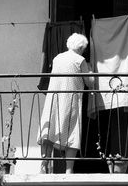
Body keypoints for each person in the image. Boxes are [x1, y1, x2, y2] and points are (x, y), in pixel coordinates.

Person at [37, 33, 94, 174]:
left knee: (49, 130)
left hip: (53, 99)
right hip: (70, 100)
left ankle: (44, 165)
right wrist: (91, 69)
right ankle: (69, 170)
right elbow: (89, 82)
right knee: (72, 132)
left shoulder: (57, 58)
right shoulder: (80, 60)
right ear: (81, 47)